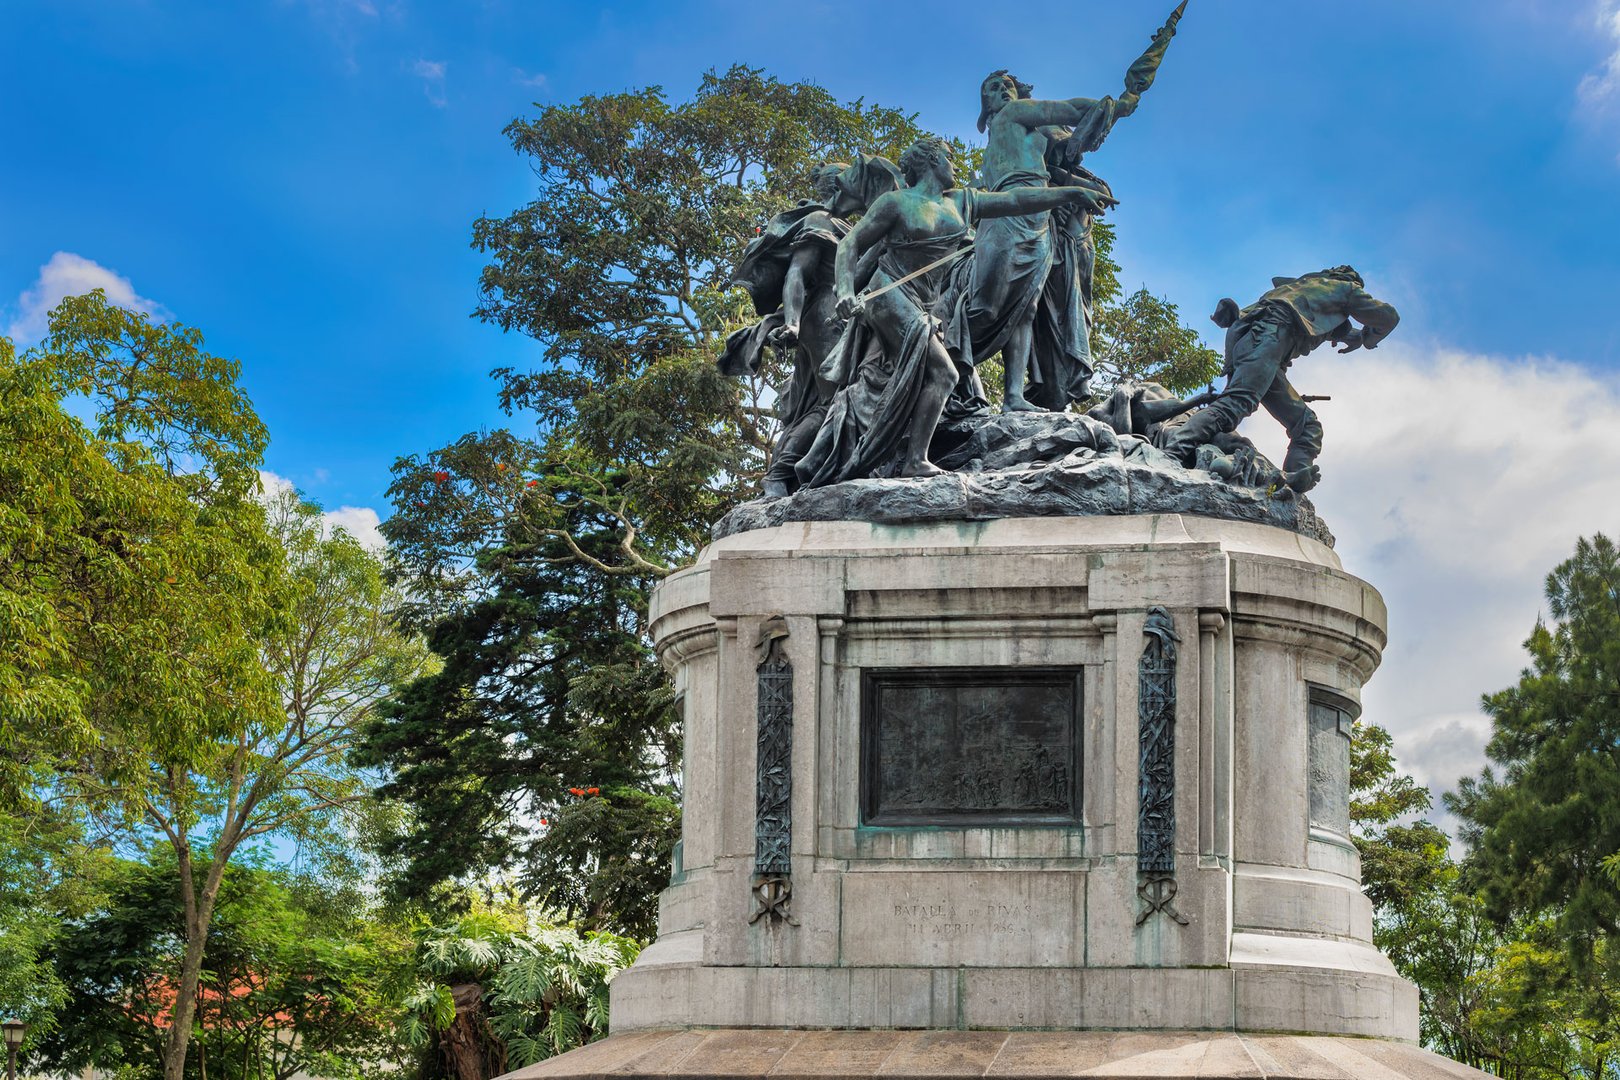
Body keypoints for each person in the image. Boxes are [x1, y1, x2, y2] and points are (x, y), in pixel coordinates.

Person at [794, 137, 1111, 486]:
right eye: (948, 157)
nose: (955, 165)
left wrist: (1070, 194)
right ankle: (916, 460)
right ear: (930, 162)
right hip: (888, 296)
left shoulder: (961, 201)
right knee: (944, 373)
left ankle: (817, 458)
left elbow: (1015, 200)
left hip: (925, 305)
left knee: (877, 386)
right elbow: (851, 245)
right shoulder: (895, 203)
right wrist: (843, 290)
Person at [971, 3, 1186, 412]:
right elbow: (1069, 110)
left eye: (1006, 87)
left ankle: (1015, 394)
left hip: (1034, 216)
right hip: (1015, 214)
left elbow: (1065, 147)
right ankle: (1003, 390)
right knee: (1008, 305)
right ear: (987, 106)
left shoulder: (1026, 129)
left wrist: (1107, 115)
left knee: (1026, 306)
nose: (1001, 94)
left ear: (1017, 94)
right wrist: (1108, 106)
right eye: (992, 91)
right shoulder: (1013, 120)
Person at [720, 156, 901, 496]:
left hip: (853, 317)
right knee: (836, 400)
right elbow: (797, 274)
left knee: (848, 396)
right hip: (824, 316)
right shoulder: (821, 220)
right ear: (839, 188)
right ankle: (781, 473)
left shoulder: (850, 227)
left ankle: (830, 466)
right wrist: (792, 324)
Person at [1163, 266, 1400, 493]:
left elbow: (1335, 328)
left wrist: (1356, 337)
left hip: (1252, 343)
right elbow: (1388, 317)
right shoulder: (1346, 289)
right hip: (1268, 340)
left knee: (1307, 426)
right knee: (1234, 404)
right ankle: (1170, 455)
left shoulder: (1302, 289)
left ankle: (1285, 487)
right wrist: (1369, 339)